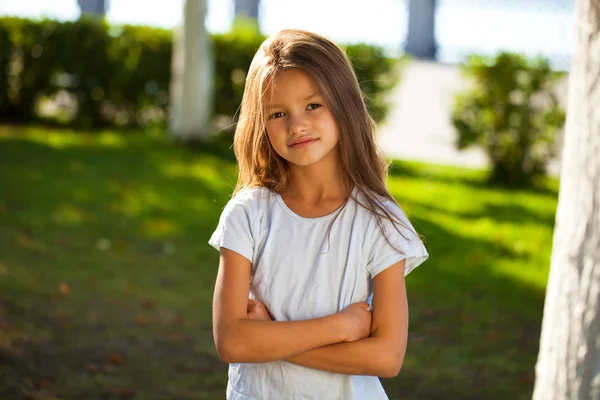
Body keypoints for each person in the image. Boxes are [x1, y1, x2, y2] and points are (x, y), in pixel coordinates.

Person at [209, 29, 429, 400]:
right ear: (261, 126)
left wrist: (271, 339)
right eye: (278, 113)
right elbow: (232, 341)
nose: (297, 125)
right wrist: (341, 327)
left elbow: (386, 357)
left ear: (343, 104)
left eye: (313, 105)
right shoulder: (247, 215)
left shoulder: (379, 222)